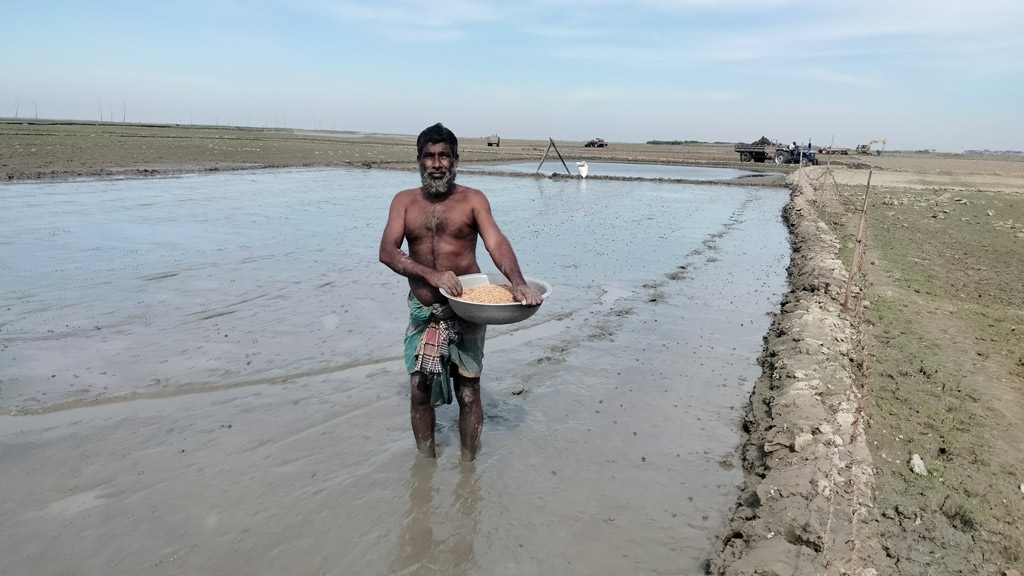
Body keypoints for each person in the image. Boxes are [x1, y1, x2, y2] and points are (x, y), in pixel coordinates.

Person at [379, 123, 542, 462]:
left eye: (444, 156)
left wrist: (518, 281)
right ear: (419, 160)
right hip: (423, 311)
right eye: (429, 157)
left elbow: (496, 241)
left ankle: (469, 467)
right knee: (419, 389)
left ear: (455, 160)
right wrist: (432, 275)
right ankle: (425, 468)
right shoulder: (404, 202)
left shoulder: (472, 200)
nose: (436, 164)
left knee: (468, 390)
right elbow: (388, 252)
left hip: (467, 310)